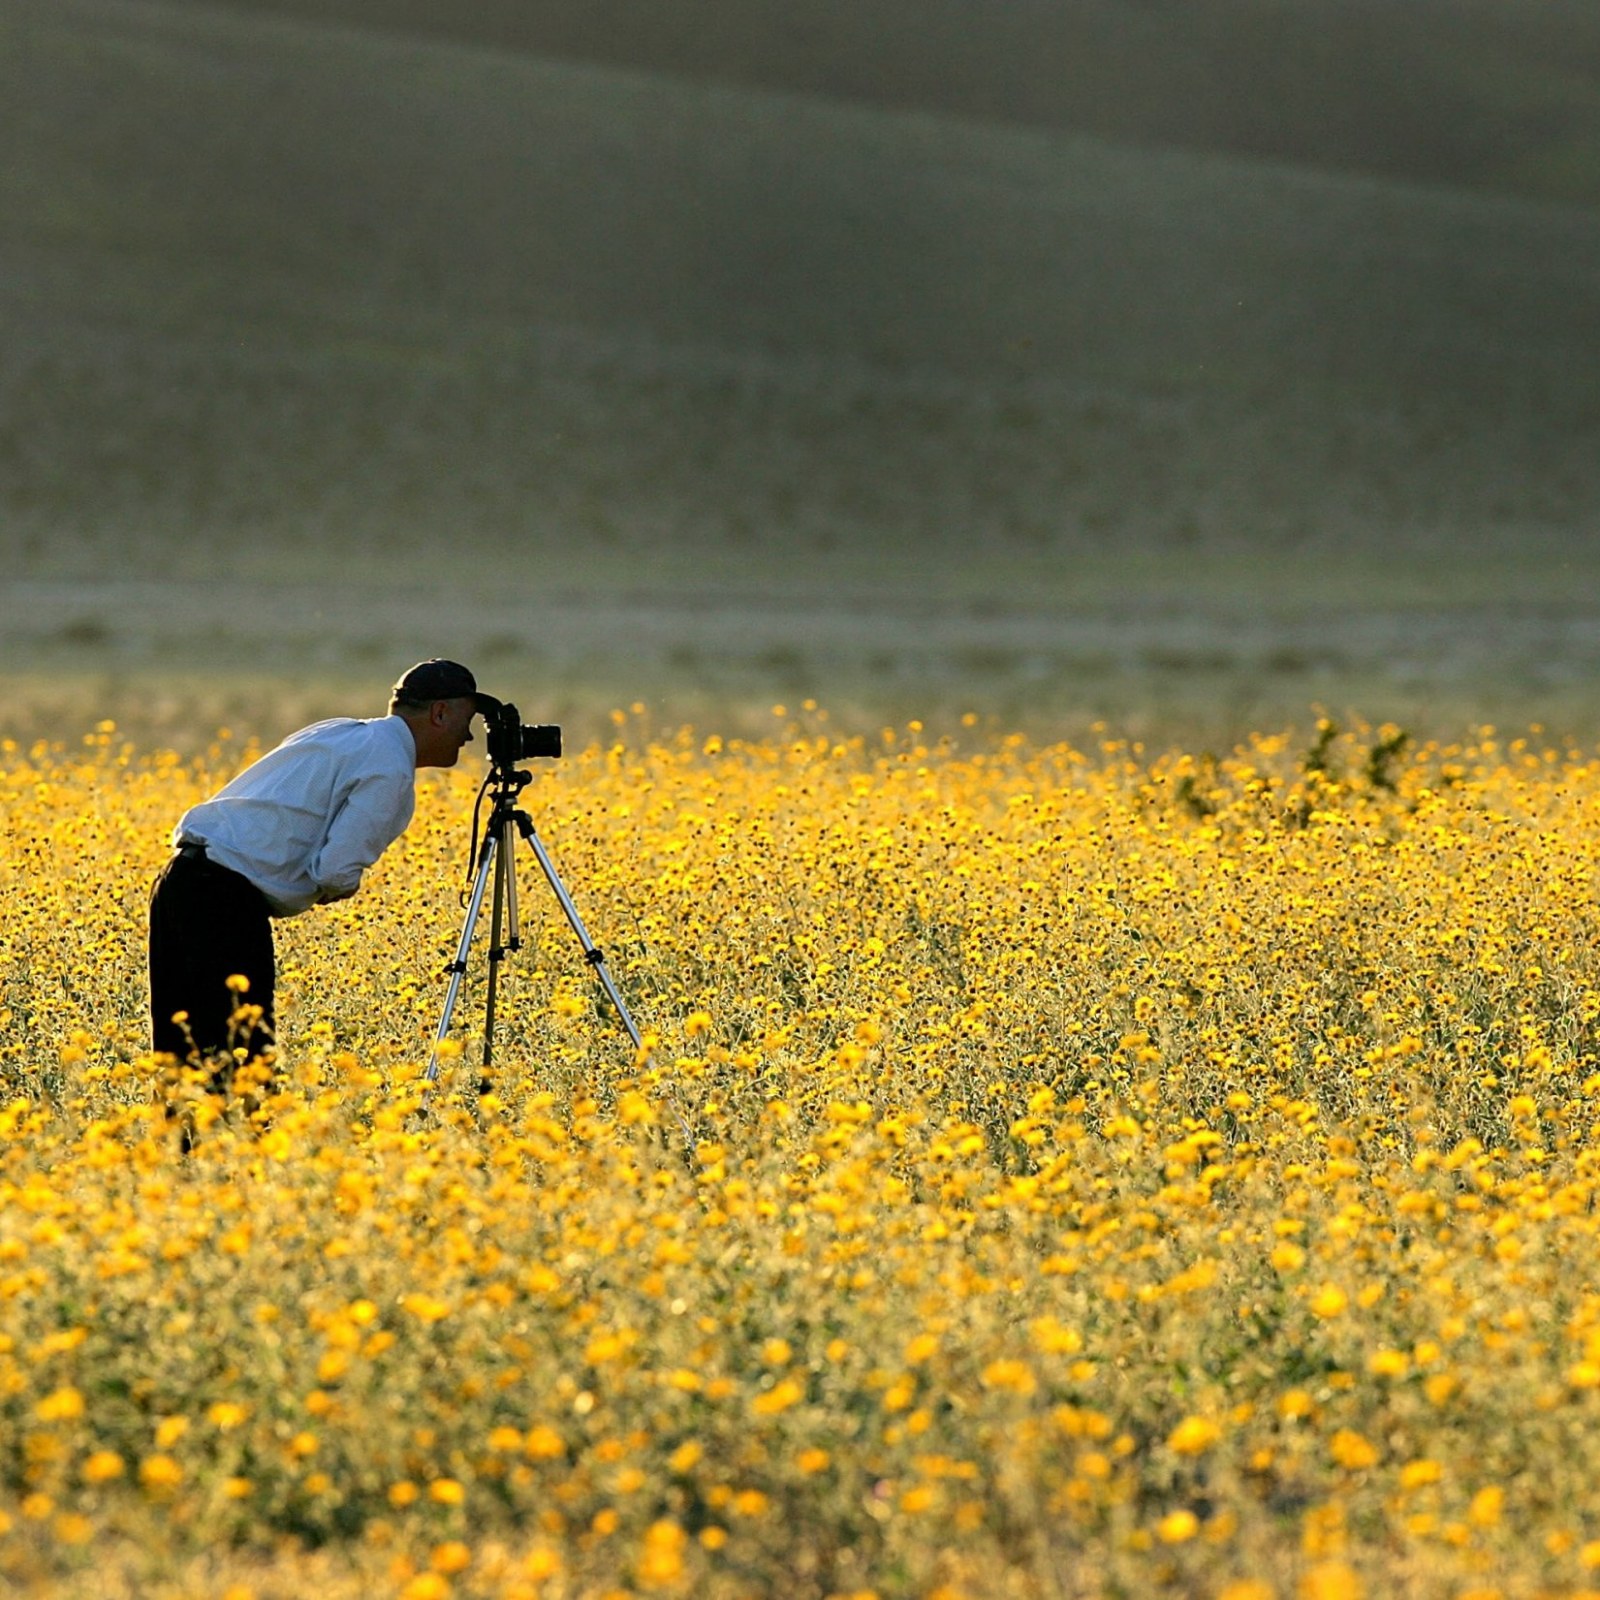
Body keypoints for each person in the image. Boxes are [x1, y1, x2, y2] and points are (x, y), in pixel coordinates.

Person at [148, 659, 490, 1077]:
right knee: (239, 1058)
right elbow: (334, 872)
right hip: (223, 901)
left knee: (179, 1054)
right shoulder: (390, 769)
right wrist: (334, 889)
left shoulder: (339, 731)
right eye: (468, 719)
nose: (470, 735)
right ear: (440, 713)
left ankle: (179, 1142)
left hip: (178, 879)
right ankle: (235, 1141)